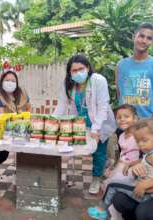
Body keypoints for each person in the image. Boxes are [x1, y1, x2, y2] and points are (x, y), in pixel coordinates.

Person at [54, 54, 116, 194]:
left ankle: (96, 178)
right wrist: (51, 120)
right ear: (69, 72)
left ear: (88, 68)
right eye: (74, 70)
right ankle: (71, 175)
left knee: (99, 152)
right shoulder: (68, 84)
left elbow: (103, 106)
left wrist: (95, 129)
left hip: (101, 121)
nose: (78, 73)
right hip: (81, 122)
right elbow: (61, 105)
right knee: (74, 148)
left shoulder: (98, 80)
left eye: (81, 69)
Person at [88, 119, 153, 219]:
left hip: (147, 194)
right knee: (118, 182)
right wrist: (130, 164)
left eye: (144, 140)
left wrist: (144, 186)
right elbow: (144, 160)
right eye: (137, 141)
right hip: (147, 190)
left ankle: (102, 211)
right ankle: (109, 212)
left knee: (112, 185)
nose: (140, 144)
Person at [115, 23, 153, 119]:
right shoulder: (120, 65)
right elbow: (119, 93)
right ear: (133, 37)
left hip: (147, 122)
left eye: (149, 38)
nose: (144, 41)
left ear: (152, 42)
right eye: (141, 36)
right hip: (125, 121)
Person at [0, 70, 31, 182]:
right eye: (7, 80)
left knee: (26, 150)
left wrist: (26, 121)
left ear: (17, 83)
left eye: (13, 80)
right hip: (5, 128)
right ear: (2, 81)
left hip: (23, 127)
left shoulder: (22, 92)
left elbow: (28, 107)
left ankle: (22, 170)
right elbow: (0, 116)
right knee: (3, 153)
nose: (10, 82)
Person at [103, 104, 140, 187]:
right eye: (119, 117)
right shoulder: (121, 136)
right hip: (121, 165)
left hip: (133, 168)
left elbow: (145, 157)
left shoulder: (139, 136)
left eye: (126, 117)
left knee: (115, 184)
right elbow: (122, 154)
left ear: (135, 119)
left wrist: (130, 165)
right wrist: (113, 167)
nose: (122, 119)